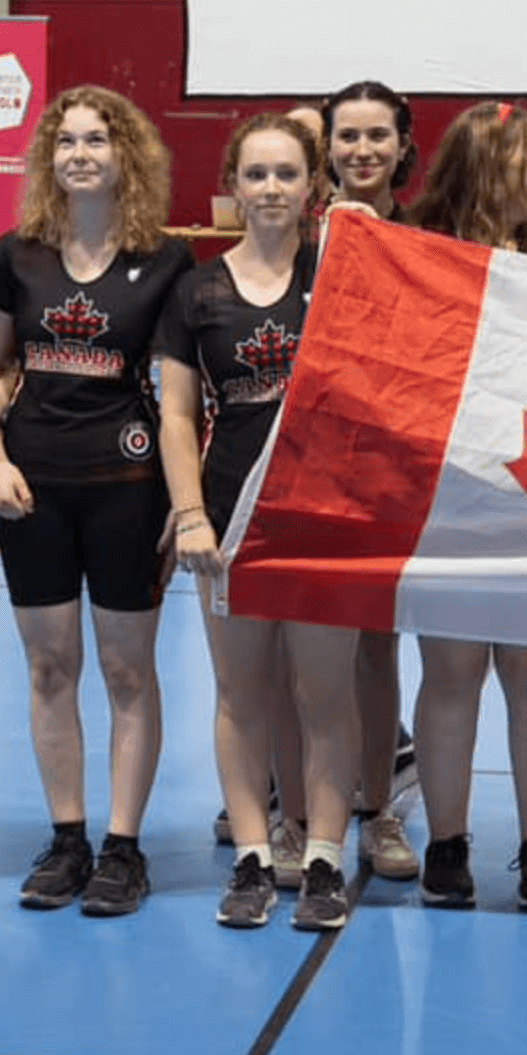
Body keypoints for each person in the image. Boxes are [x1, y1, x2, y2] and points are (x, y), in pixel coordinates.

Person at [0, 86, 194, 917]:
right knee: (48, 665)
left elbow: (178, 401)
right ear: (48, 160)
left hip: (126, 489)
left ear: (124, 155)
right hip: (31, 488)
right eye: (65, 142)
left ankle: (123, 847)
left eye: (97, 139)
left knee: (128, 670)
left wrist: (184, 503)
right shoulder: (15, 254)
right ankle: (67, 836)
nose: (80, 154)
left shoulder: (167, 260)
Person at [168, 113, 361, 931]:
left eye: (288, 174)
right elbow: (177, 416)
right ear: (233, 186)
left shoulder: (345, 272)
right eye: (257, 175)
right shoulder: (197, 289)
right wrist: (188, 516)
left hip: (326, 519)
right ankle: (251, 856)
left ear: (313, 186)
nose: (272, 189)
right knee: (241, 695)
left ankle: (322, 859)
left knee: (324, 696)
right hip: (231, 519)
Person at [393, 100, 527, 911]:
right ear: (492, 161)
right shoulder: (421, 252)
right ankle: (447, 845)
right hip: (452, 497)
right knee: (452, 674)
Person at [307, 80, 422, 881]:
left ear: (403, 147)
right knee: (300, 644)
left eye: (378, 135)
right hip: (309, 460)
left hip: (390, 467)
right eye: (347, 136)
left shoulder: (432, 242)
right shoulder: (290, 232)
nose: (363, 151)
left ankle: (379, 807)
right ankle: (298, 795)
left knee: (376, 647)